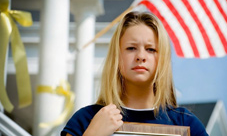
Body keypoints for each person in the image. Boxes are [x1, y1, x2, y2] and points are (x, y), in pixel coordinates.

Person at [61, 11, 208, 136]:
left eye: (151, 49)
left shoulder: (187, 124)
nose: (140, 56)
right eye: (131, 48)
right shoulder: (86, 119)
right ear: (116, 57)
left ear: (162, 59)